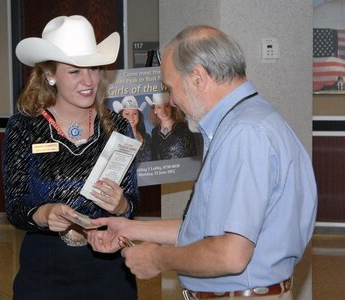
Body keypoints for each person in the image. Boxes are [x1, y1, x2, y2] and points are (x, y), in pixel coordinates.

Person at [87, 25, 317, 300]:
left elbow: (230, 255)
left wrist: (159, 259)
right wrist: (128, 228)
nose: (171, 100)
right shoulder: (252, 119)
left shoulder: (244, 134)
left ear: (198, 78)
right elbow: (207, 230)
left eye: (171, 88)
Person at [2, 15, 139, 299]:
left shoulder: (118, 126)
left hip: (109, 268)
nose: (88, 81)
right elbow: (15, 205)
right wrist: (43, 214)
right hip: (45, 271)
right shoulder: (24, 127)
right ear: (50, 75)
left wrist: (121, 204)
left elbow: (132, 203)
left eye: (93, 69)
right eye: (74, 71)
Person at [146, 92, 198, 160]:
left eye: (167, 106)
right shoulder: (155, 132)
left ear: (172, 108)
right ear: (154, 110)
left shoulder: (183, 128)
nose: (163, 111)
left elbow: (193, 154)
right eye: (159, 107)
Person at [112, 95, 152, 162]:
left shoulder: (147, 137)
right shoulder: (117, 141)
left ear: (139, 116)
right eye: (127, 114)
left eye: (135, 113)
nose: (131, 117)